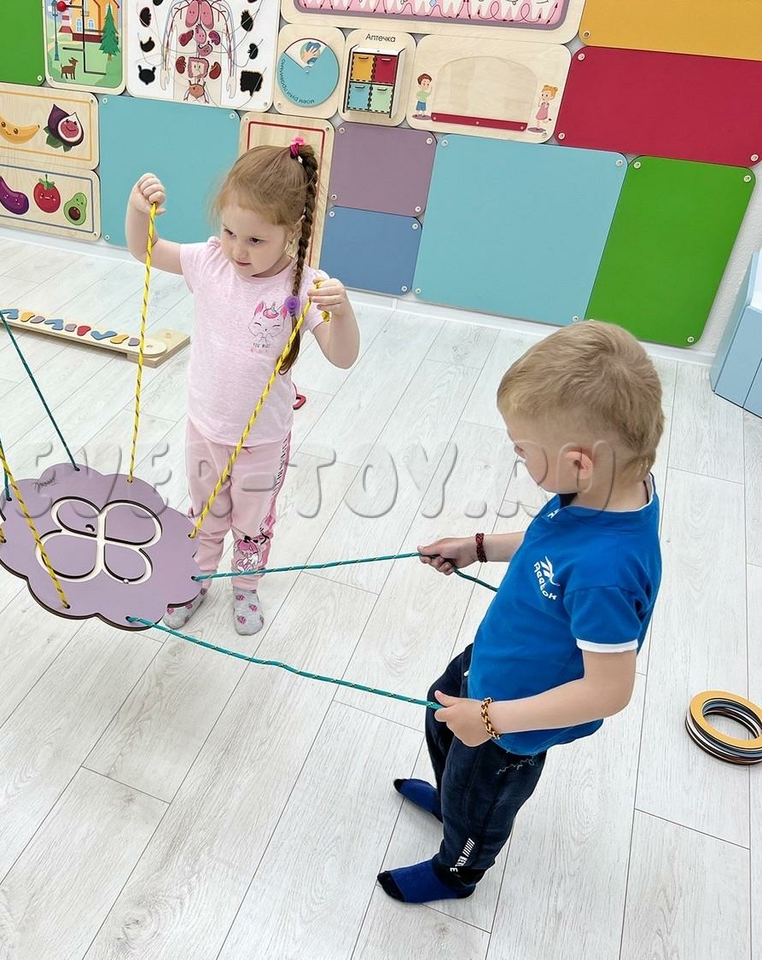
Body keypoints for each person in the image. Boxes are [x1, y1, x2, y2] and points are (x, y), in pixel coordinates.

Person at [379, 320, 663, 903]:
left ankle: (456, 870)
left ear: (580, 462)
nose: (518, 459)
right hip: (496, 660)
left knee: (479, 800)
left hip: (514, 720)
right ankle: (450, 800)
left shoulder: (608, 572)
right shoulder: (602, 489)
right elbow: (548, 544)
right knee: (440, 719)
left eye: (522, 450)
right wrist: (479, 547)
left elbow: (609, 691)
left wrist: (491, 720)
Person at [124, 139, 360, 635]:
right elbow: (146, 250)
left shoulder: (303, 287)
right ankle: (196, 580)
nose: (237, 249)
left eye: (255, 240)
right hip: (205, 428)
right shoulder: (210, 262)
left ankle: (246, 587)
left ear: (293, 231)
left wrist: (343, 313)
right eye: (230, 232)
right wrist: (138, 210)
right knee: (204, 514)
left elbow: (342, 356)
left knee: (251, 523)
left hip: (263, 440)